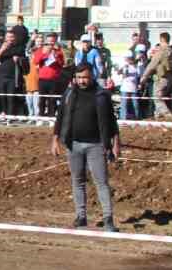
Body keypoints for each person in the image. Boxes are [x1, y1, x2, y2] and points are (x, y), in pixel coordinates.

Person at [51, 62, 121, 232]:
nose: (82, 81)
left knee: (101, 182)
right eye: (79, 77)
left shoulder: (101, 95)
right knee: (77, 180)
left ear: (92, 77)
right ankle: (81, 216)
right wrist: (55, 140)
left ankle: (108, 218)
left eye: (86, 77)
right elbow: (60, 117)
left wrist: (116, 144)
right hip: (73, 144)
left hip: (96, 145)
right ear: (75, 77)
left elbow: (112, 122)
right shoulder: (69, 93)